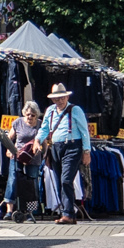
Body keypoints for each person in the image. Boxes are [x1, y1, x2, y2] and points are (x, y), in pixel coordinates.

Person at [41, 83, 88, 226]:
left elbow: (84, 131)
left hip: (72, 146)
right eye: (56, 99)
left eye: (61, 98)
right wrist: (38, 140)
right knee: (58, 180)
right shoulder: (50, 111)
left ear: (67, 96)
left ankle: (67, 214)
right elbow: (44, 128)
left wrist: (86, 151)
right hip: (55, 148)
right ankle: (69, 213)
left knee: (66, 180)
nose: (59, 101)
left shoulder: (75, 110)